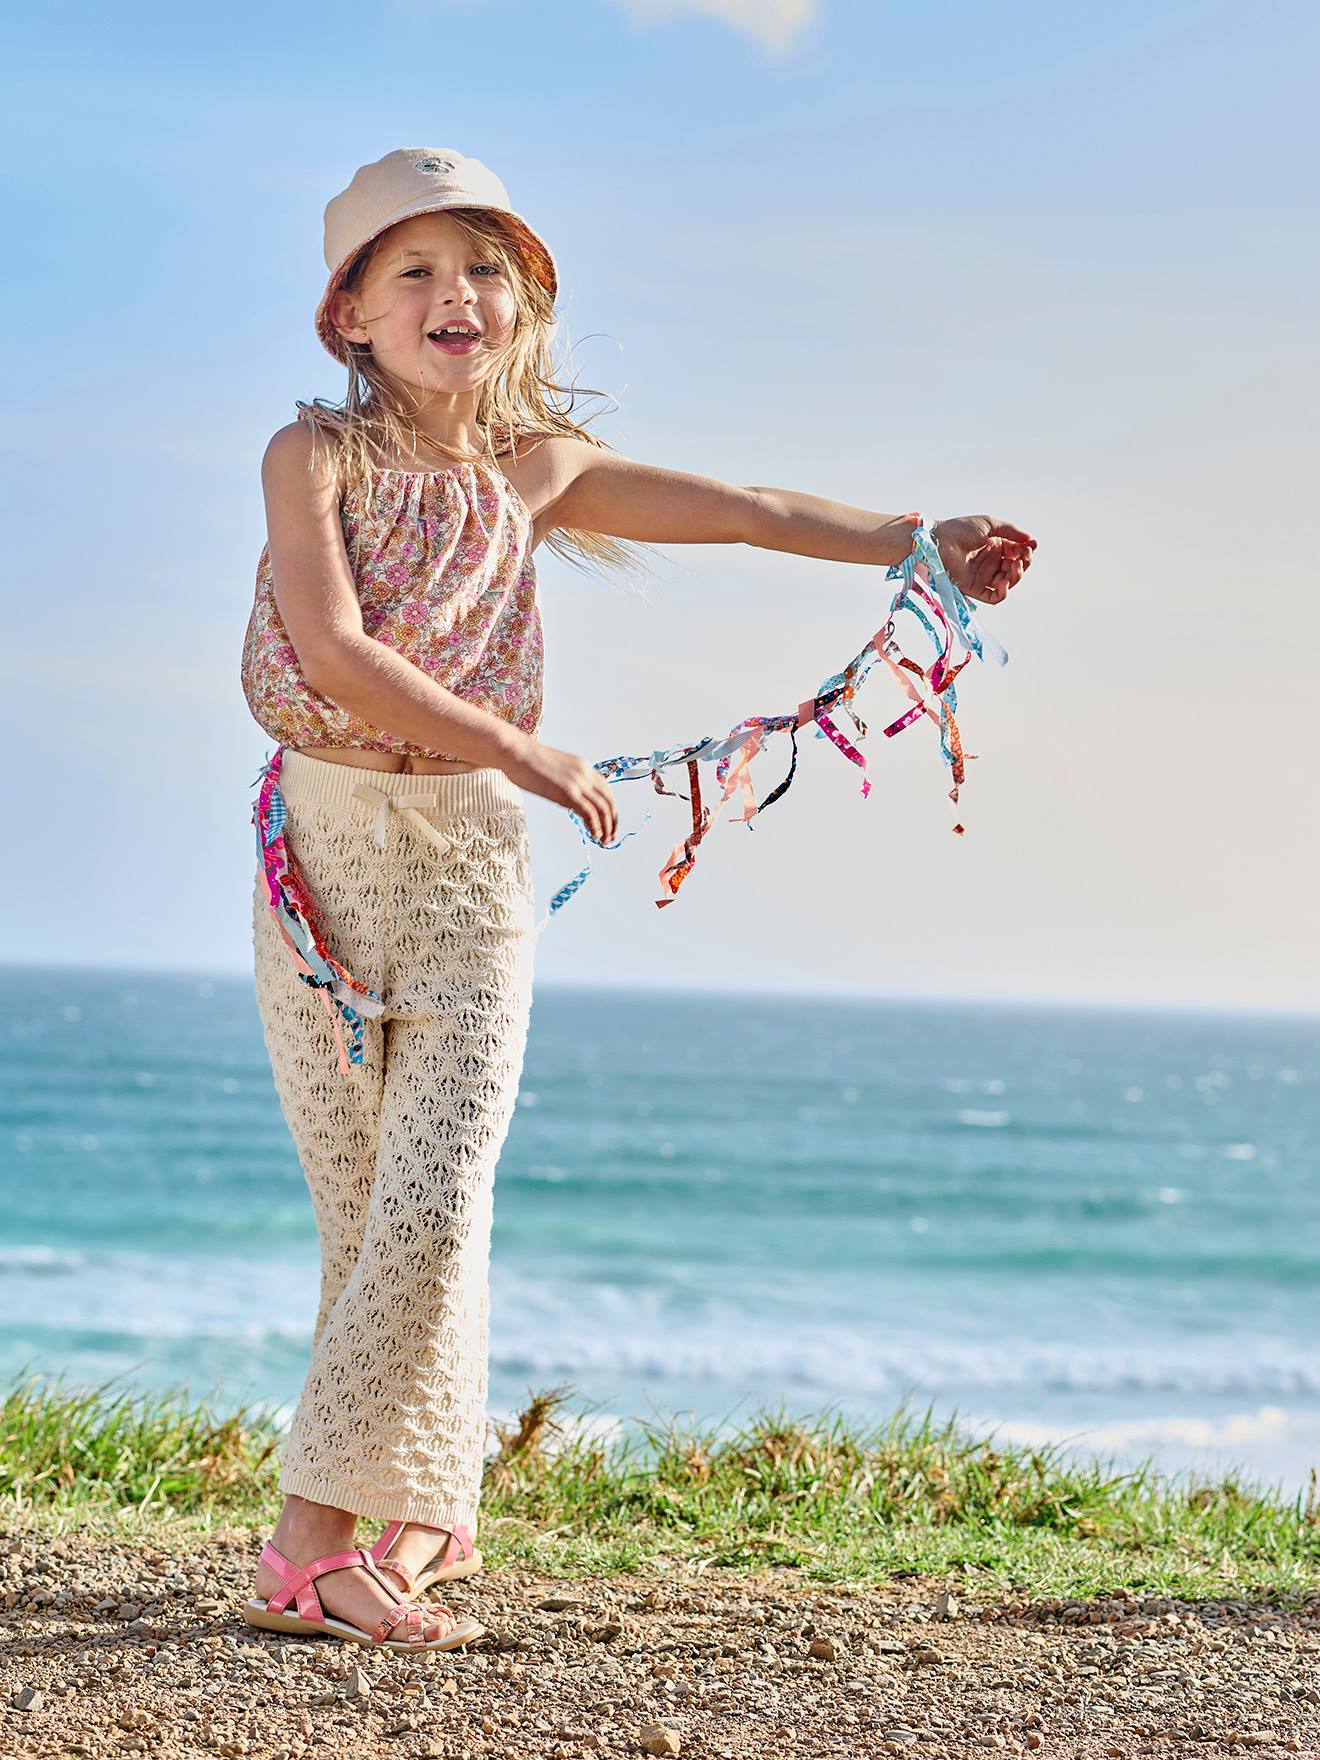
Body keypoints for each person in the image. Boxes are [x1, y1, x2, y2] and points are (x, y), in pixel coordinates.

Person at [239, 146, 1038, 1654]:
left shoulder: (534, 470)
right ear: (347, 316)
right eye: (409, 269)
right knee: (371, 1209)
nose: (451, 293)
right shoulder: (313, 459)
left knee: (435, 1188)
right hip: (322, 855)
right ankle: (407, 1511)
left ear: (521, 306)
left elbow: (743, 506)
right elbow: (333, 654)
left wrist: (913, 540)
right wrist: (525, 745)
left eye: (481, 266)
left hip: (470, 865)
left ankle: (309, 1551)